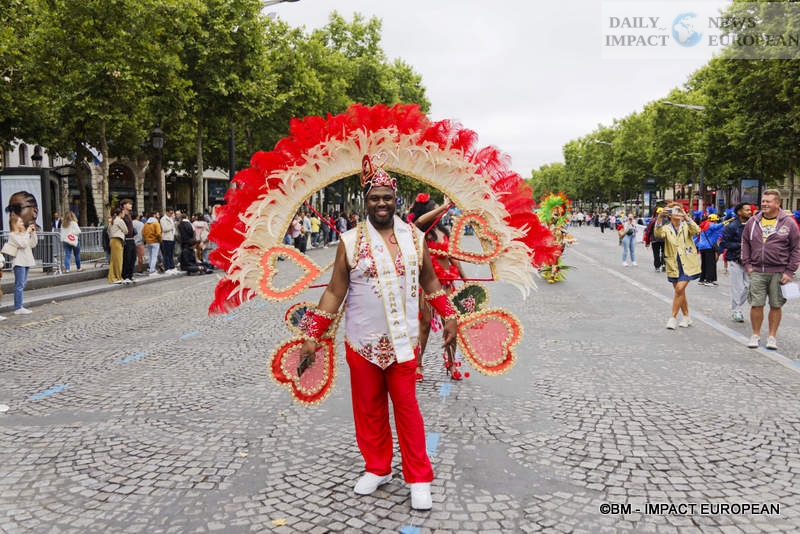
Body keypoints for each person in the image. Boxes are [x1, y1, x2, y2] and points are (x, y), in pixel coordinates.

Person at [298, 154, 458, 511]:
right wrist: (313, 334)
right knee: (368, 409)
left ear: (396, 199)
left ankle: (418, 477)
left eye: (387, 197)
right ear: (365, 201)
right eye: (375, 198)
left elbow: (430, 281)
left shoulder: (415, 238)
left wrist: (449, 314)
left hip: (404, 343)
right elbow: (335, 291)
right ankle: (378, 468)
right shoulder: (349, 241)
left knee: (408, 410)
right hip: (361, 342)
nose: (381, 203)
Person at [410, 194, 467, 382]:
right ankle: (418, 364)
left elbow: (453, 257)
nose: (440, 212)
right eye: (434, 209)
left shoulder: (443, 231)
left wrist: (465, 278)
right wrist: (444, 206)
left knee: (451, 323)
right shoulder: (420, 232)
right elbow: (419, 221)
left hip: (446, 283)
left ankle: (452, 363)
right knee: (424, 325)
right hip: (428, 285)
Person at [741, 189, 800, 350]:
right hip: (757, 270)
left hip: (779, 272)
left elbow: (796, 248)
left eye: (768, 201)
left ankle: (772, 337)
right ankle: (755, 334)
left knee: (776, 305)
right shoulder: (753, 221)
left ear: (777, 203)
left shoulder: (788, 223)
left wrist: (789, 271)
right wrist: (747, 265)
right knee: (756, 304)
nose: (764, 204)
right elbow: (745, 242)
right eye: (763, 201)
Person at [654, 204, 701, 330]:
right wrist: (659, 217)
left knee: (679, 289)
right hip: (673, 263)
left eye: (680, 210)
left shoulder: (686, 225)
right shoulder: (666, 228)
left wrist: (686, 217)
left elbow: (697, 230)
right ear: (669, 214)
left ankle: (672, 318)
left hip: (688, 262)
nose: (679, 212)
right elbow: (658, 234)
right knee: (680, 292)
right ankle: (686, 317)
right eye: (676, 210)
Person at [720, 203, 752, 323]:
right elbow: (724, 243)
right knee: (737, 287)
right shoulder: (731, 227)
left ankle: (736, 305)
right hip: (735, 260)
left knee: (750, 287)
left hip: (750, 261)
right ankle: (736, 310)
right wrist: (740, 245)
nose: (750, 212)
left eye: (750, 210)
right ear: (739, 212)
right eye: (747, 210)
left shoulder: (753, 225)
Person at [7, 212, 38, 314]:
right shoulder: (12, 235)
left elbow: (32, 244)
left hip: (26, 261)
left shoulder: (23, 234)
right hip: (19, 262)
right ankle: (18, 307)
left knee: (22, 284)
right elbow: (22, 244)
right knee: (19, 285)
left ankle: (19, 306)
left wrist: (33, 233)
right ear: (14, 224)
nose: (22, 223)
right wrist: (27, 232)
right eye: (20, 222)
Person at [695, 213, 724, 287]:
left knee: (704, 264)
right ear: (714, 220)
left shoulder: (703, 225)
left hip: (702, 247)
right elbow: (718, 226)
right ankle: (709, 280)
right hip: (708, 247)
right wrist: (728, 221)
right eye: (716, 220)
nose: (716, 222)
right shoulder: (710, 225)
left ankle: (702, 279)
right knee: (710, 264)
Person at [643, 207, 667, 272]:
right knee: (664, 252)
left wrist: (647, 242)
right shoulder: (666, 220)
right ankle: (663, 264)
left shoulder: (653, 220)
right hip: (664, 239)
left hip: (655, 239)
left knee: (656, 253)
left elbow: (648, 231)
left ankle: (657, 266)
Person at [119, 199, 137, 283]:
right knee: (127, 258)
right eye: (129, 204)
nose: (131, 205)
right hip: (126, 239)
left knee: (133, 258)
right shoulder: (122, 215)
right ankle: (125, 276)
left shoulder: (129, 214)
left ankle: (130, 275)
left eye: (131, 204)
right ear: (124, 205)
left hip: (132, 239)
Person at [107, 208, 127, 284]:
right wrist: (121, 232)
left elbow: (108, 231)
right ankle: (119, 277)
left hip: (112, 240)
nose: (124, 214)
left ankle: (112, 277)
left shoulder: (112, 221)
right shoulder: (120, 221)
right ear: (120, 213)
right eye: (123, 213)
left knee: (113, 260)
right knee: (119, 260)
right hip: (117, 240)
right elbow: (126, 230)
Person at [160, 208, 177, 273]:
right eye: (170, 213)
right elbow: (165, 229)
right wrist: (173, 225)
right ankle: (167, 267)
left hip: (172, 237)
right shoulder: (163, 219)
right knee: (166, 254)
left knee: (171, 254)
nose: (171, 214)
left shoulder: (171, 218)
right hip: (166, 238)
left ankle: (172, 267)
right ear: (166, 212)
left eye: (172, 213)